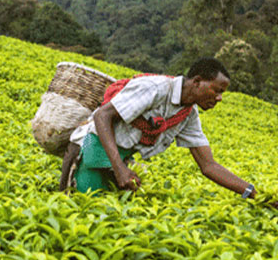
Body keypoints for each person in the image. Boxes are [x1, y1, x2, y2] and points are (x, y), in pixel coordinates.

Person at [60, 58, 261, 202]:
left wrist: (253, 194)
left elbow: (209, 166)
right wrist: (120, 169)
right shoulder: (155, 88)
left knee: (110, 216)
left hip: (118, 161)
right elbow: (102, 116)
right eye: (217, 90)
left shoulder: (188, 115)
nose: (219, 98)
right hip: (90, 150)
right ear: (197, 81)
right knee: (85, 207)